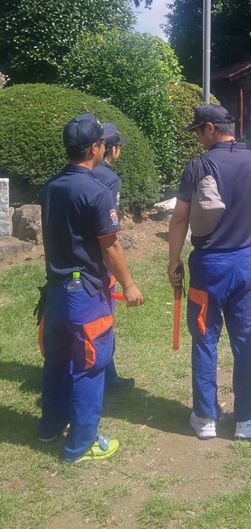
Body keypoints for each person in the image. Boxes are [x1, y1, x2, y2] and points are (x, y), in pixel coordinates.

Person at [168, 105, 251, 442]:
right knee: (246, 340)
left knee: (204, 340)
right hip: (245, 263)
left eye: (198, 132)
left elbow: (180, 219)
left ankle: (205, 418)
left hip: (208, 265)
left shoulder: (198, 166)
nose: (198, 139)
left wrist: (174, 261)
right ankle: (246, 419)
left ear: (211, 129)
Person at [39, 115, 144, 462]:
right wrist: (128, 285)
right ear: (96, 147)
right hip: (84, 293)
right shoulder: (97, 192)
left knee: (56, 361)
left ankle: (50, 426)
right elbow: (110, 246)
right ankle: (81, 444)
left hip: (55, 289)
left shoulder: (52, 185)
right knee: (88, 367)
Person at [93, 123, 135, 392]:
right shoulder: (109, 179)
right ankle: (106, 376)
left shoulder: (72, 174)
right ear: (113, 149)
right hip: (100, 260)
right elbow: (109, 230)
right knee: (103, 320)